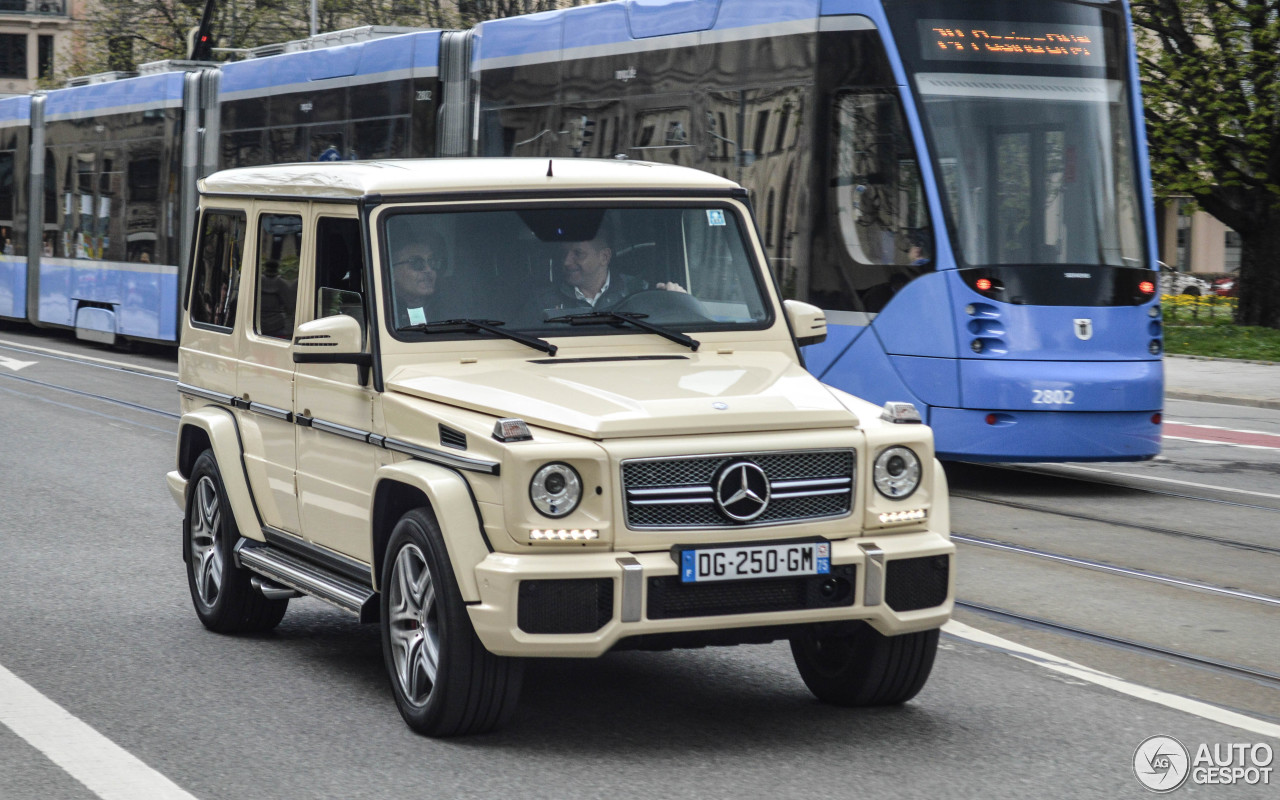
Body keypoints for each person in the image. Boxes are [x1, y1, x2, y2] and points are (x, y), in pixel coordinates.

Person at [539, 233, 684, 313]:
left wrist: (679, 300)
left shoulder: (639, 292)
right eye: (565, 254)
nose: (566, 262)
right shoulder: (543, 300)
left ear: (604, 257)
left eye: (578, 254)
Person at [391, 232, 448, 328]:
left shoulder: (450, 306)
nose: (428, 269)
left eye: (432, 262)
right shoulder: (382, 309)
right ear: (393, 271)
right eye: (417, 263)